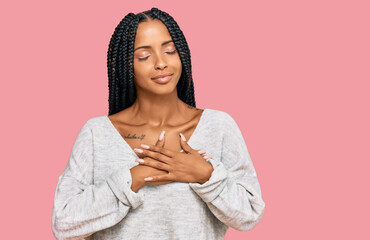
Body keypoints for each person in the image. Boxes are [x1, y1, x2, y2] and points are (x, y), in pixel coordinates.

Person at [51, 7, 265, 240]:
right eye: (144, 56)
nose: (161, 63)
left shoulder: (219, 126)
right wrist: (136, 177)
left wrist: (204, 174)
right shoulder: (97, 133)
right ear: (125, 65)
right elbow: (64, 223)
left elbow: (249, 214)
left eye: (170, 51)